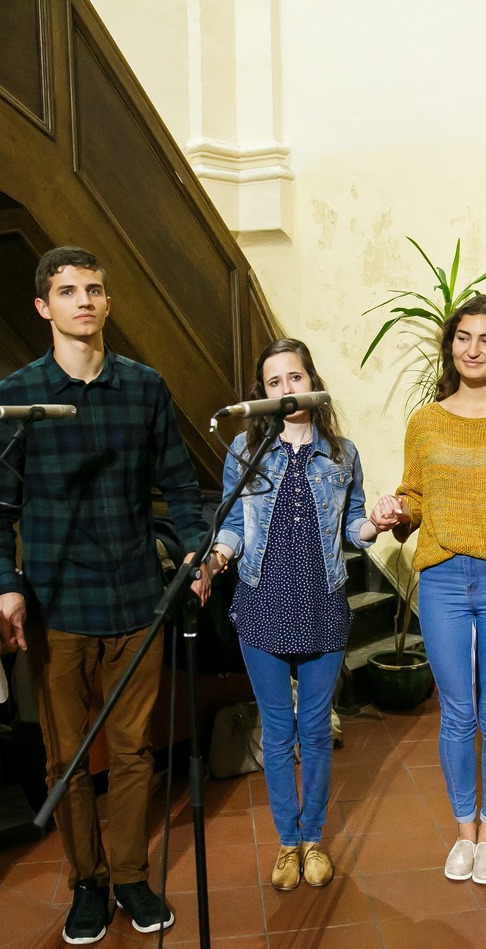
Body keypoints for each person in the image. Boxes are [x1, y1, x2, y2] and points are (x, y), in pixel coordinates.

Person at [0, 246, 210, 945]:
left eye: (95, 290)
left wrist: (194, 550)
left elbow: (180, 485)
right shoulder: (18, 395)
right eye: (68, 291)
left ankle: (130, 874)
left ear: (108, 302)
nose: (84, 300)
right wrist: (5, 586)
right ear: (43, 307)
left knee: (134, 752)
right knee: (67, 758)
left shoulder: (144, 387)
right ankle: (87, 881)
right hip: (56, 606)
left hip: (136, 598)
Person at [372, 294, 486, 887]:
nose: (473, 349)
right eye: (463, 337)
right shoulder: (425, 421)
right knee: (455, 713)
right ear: (450, 344)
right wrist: (397, 511)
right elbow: (416, 499)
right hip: (443, 578)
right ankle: (464, 831)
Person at [211, 339, 395, 891]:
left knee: (314, 729)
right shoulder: (244, 451)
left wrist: (376, 522)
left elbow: (354, 526)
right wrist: (217, 555)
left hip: (321, 603)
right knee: (277, 730)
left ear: (312, 381)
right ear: (263, 393)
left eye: (295, 377)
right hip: (261, 603)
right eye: (274, 382)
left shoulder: (342, 454)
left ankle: (313, 839)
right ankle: (286, 843)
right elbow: (233, 524)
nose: (286, 389)